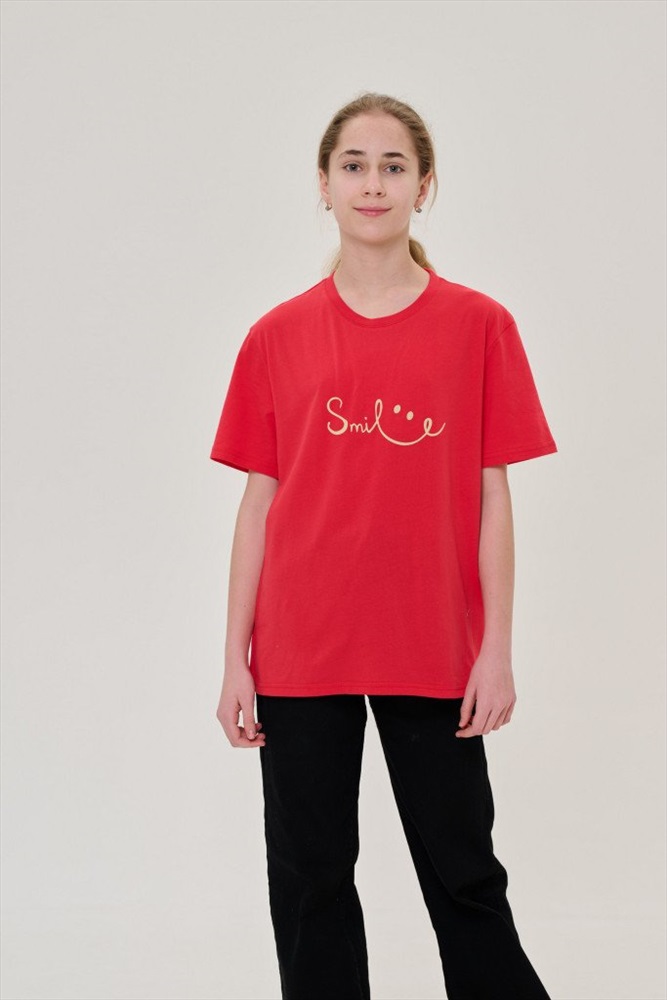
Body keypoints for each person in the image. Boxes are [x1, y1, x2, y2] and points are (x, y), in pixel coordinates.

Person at [211, 92, 556, 1000]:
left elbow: (492, 497)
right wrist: (234, 658)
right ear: (323, 185)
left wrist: (495, 648)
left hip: (431, 642)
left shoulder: (479, 326)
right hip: (300, 647)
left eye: (393, 166)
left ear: (423, 186)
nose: (373, 184)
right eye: (354, 166)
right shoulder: (275, 336)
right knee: (310, 881)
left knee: (463, 874)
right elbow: (258, 504)